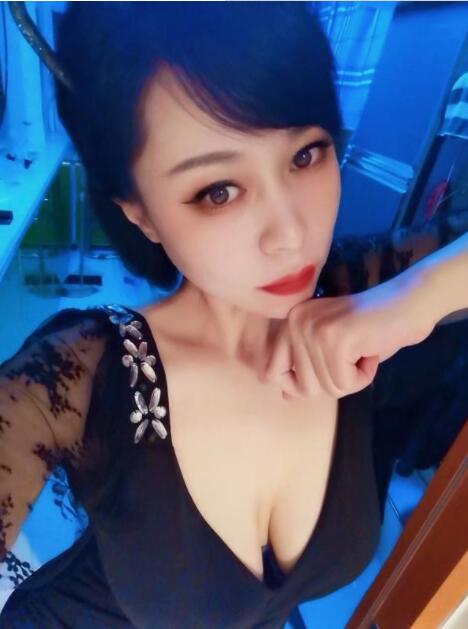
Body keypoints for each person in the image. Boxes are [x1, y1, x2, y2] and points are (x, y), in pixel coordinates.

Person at [1, 2, 467, 627]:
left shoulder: (359, 293)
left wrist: (416, 299)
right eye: (218, 191)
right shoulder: (81, 378)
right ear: (142, 213)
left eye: (306, 155)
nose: (290, 234)